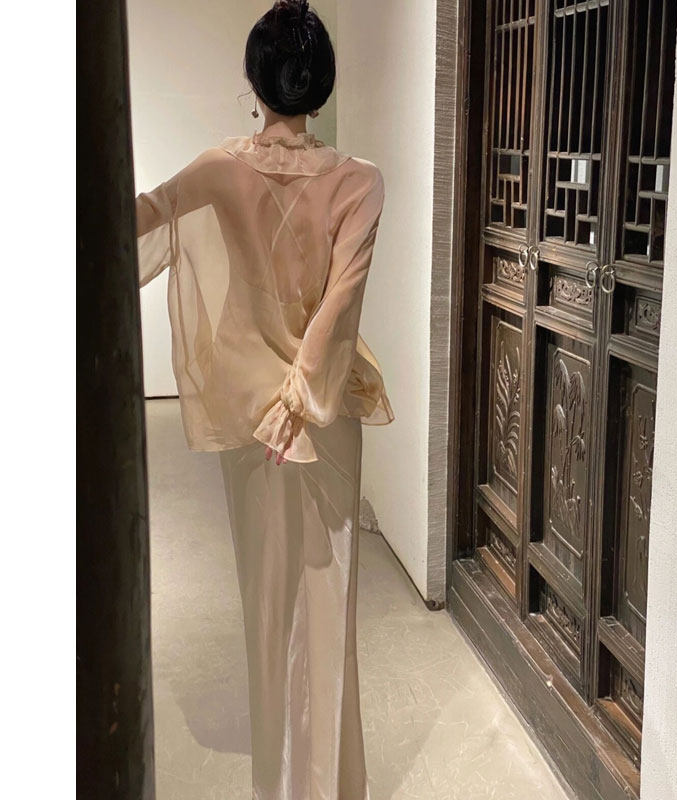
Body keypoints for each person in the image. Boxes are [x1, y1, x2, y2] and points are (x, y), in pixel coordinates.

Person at [134, 2, 393, 797]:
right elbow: (339, 306)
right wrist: (303, 396)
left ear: (254, 82)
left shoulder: (220, 168)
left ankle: (279, 787)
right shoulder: (360, 183)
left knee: (268, 605)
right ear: (322, 84)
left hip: (253, 419)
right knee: (328, 605)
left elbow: (138, 225)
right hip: (324, 419)